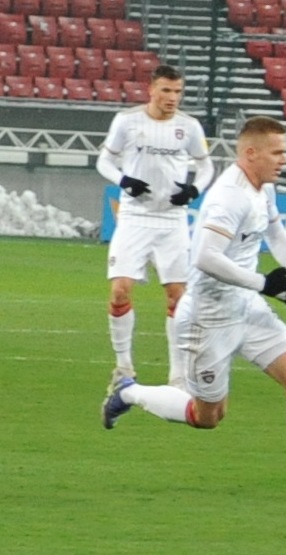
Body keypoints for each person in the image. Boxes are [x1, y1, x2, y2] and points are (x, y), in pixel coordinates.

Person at [101, 115, 286, 506]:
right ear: (250, 153)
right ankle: (129, 392)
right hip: (208, 318)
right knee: (208, 417)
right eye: (277, 153)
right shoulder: (228, 197)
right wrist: (262, 282)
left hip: (247, 308)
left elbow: (275, 233)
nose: (284, 159)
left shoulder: (263, 189)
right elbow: (205, 257)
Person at [96, 64, 216, 389]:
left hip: (172, 220)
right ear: (151, 90)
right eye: (166, 90)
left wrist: (194, 190)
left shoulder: (189, 127)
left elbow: (206, 167)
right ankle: (124, 367)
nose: (172, 97)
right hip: (134, 217)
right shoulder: (127, 121)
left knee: (178, 296)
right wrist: (124, 181)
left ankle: (177, 375)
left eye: (178, 92)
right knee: (120, 290)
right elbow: (104, 161)